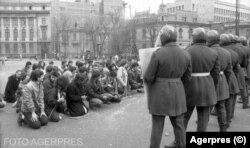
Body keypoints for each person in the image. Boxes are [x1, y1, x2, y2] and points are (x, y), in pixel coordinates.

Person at [144, 25, 191, 148]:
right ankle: (181, 145)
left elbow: (149, 77)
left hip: (160, 93)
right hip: (178, 91)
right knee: (179, 124)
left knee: (158, 125)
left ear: (164, 37)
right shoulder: (186, 54)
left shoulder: (158, 53)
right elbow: (187, 78)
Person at [184, 27, 220, 132]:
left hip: (190, 87)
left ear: (194, 38)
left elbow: (183, 71)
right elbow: (216, 74)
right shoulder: (213, 52)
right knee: (203, 119)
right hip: (207, 86)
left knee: (184, 116)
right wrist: (212, 86)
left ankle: (179, 140)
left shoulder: (187, 51)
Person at [207, 30, 231, 132]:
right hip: (222, 79)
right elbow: (229, 71)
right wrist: (226, 82)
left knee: (206, 107)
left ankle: (202, 126)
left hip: (209, 79)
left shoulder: (208, 51)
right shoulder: (226, 52)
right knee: (221, 106)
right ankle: (223, 128)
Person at [220, 34, 240, 127]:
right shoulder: (234, 53)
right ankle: (228, 119)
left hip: (222, 76)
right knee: (229, 99)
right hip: (232, 76)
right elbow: (237, 69)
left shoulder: (220, 52)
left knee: (220, 101)